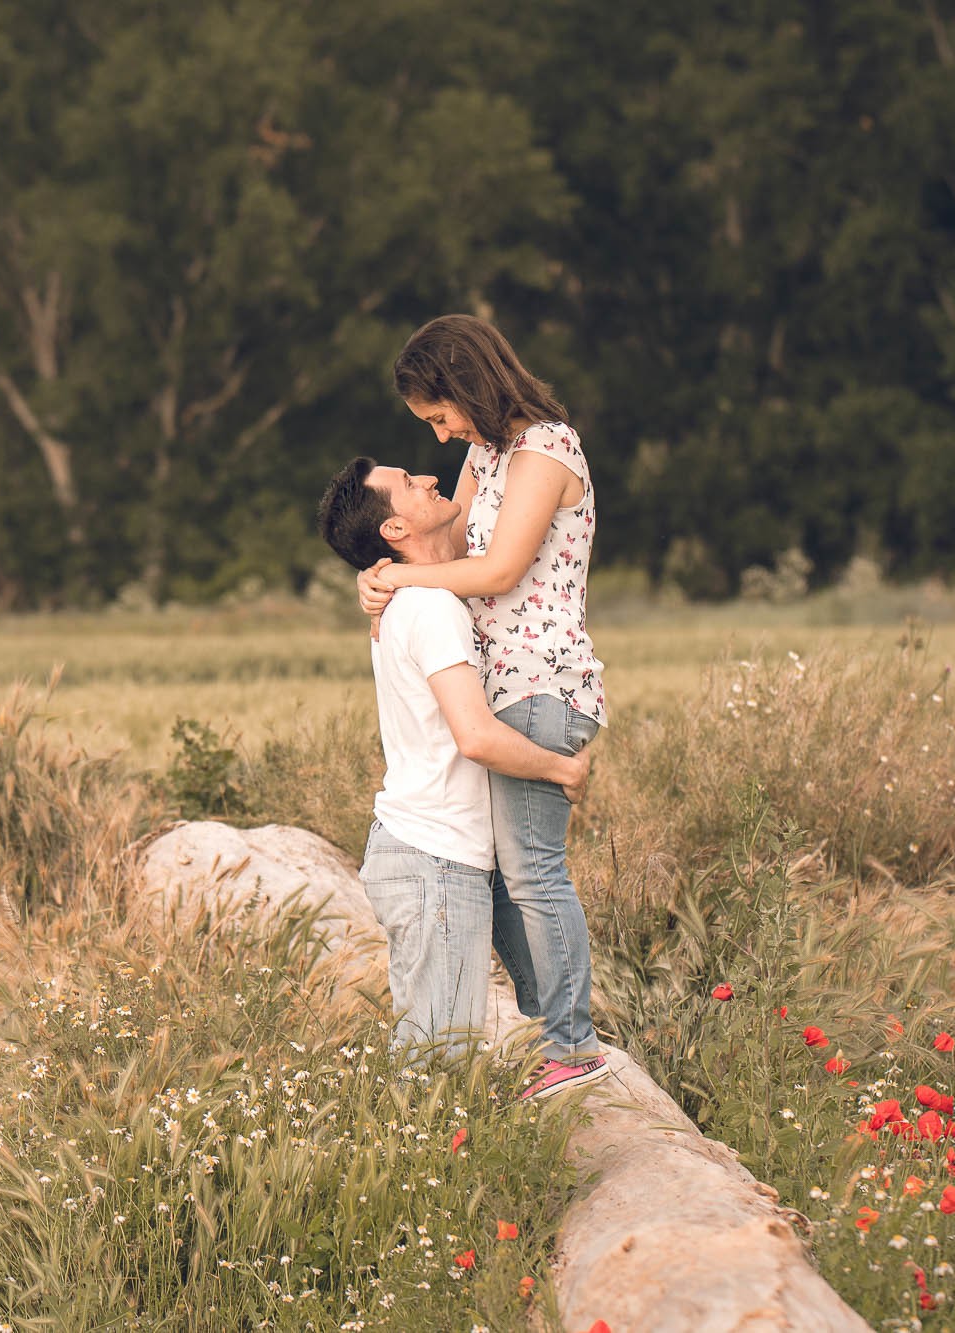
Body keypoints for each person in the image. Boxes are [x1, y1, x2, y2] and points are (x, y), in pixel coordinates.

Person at [356, 314, 610, 1100]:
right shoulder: (485, 455)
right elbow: (448, 548)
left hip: (542, 682)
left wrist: (395, 579)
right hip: (503, 687)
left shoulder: (546, 449)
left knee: (532, 872)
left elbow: (497, 570)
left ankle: (573, 1044)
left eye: (441, 415)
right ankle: (557, 1026)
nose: (441, 436)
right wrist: (382, 568)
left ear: (466, 385)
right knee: (510, 875)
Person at [316, 454, 592, 1067]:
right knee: (439, 1063)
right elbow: (476, 737)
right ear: (394, 530)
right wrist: (561, 768)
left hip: (425, 854)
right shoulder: (432, 608)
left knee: (437, 1052)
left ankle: (564, 1047)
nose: (430, 479)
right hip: (432, 859)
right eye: (410, 485)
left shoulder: (409, 600)